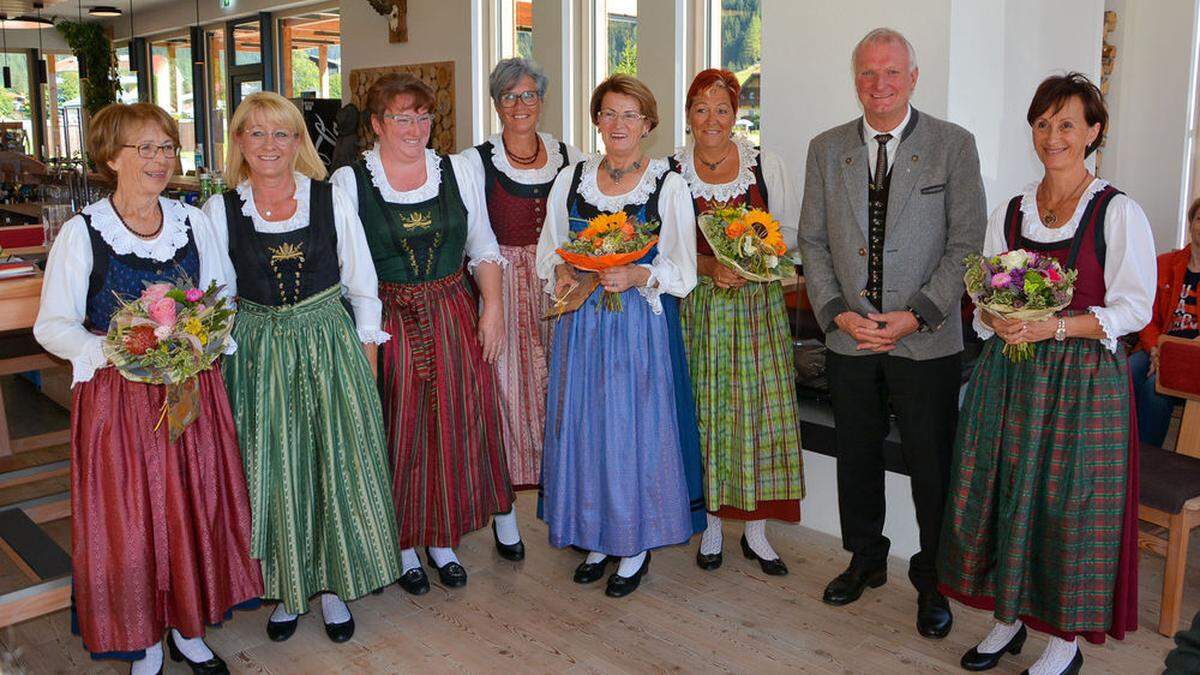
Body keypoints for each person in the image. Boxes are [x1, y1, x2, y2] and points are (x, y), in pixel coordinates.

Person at [34, 102, 262, 675]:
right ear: (112, 158)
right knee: (132, 518)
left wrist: (197, 333)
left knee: (190, 506)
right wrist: (112, 349)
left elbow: (222, 295)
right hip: (118, 399)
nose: (161, 160)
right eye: (147, 148)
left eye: (167, 148)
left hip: (188, 390)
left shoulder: (193, 221)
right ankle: (145, 643)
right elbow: (53, 324)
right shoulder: (82, 232)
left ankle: (188, 630)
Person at [939, 72, 1155, 675]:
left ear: (1093, 132)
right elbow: (980, 292)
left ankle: (1064, 639)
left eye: (1066, 124)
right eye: (1042, 124)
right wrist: (996, 316)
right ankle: (1007, 619)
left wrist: (1053, 327)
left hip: (1082, 383)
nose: (1052, 136)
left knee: (1067, 506)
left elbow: (1135, 307)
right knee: (1003, 493)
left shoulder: (1118, 211)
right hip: (1009, 374)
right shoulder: (1012, 209)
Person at [797, 27, 986, 639]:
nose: (880, 84)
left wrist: (917, 313)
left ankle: (934, 580)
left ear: (913, 77)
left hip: (925, 339)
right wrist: (834, 313)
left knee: (932, 465)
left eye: (892, 72)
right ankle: (866, 558)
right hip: (849, 337)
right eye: (868, 73)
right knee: (856, 457)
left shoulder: (953, 145)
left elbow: (966, 243)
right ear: (855, 79)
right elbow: (814, 242)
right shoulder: (826, 149)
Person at [203, 91, 401, 644]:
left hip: (328, 344)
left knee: (333, 465)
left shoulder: (330, 198)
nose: (270, 144)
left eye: (282, 133)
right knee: (274, 469)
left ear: (300, 142)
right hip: (259, 350)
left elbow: (362, 283)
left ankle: (335, 587)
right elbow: (217, 298)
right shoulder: (219, 211)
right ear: (239, 142)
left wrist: (366, 362)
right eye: (257, 133)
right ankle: (288, 589)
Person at [331, 73, 515, 594]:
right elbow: (348, 268)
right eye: (401, 117)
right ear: (375, 125)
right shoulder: (350, 182)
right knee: (399, 429)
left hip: (453, 309)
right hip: (387, 319)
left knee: (453, 427)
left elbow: (482, 245)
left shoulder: (457, 171)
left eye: (423, 116)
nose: (415, 127)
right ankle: (403, 544)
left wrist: (493, 306)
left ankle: (441, 539)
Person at [536, 74, 705, 598]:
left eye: (630, 115)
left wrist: (638, 275)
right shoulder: (571, 178)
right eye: (608, 114)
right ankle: (594, 535)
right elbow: (551, 248)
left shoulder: (667, 185)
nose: (618, 125)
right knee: (586, 428)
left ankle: (632, 545)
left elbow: (684, 268)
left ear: (649, 124)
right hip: (582, 325)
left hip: (637, 327)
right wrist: (561, 275)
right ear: (597, 120)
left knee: (630, 432)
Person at [669, 68, 803, 574]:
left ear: (737, 113)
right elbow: (663, 246)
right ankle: (710, 528)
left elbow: (788, 231)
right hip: (698, 310)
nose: (711, 118)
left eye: (721, 108)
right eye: (700, 108)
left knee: (757, 416)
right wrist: (709, 266)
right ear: (688, 116)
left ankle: (756, 531)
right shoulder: (671, 171)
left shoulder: (765, 165)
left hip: (756, 308)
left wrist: (754, 262)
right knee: (705, 414)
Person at [459, 58, 583, 558]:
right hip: (503, 286)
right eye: (509, 96)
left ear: (542, 101)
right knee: (504, 398)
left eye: (529, 94)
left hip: (558, 284)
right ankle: (504, 514)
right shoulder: (475, 161)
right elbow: (470, 234)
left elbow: (582, 222)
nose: (520, 105)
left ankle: (567, 506)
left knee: (562, 394)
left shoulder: (570, 155)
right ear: (496, 104)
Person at [1131, 197, 1200, 446]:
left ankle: (1147, 457)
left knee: (1155, 388)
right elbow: (1145, 314)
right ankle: (1119, 449)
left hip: (1192, 354)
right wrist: (1154, 349)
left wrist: (1175, 355)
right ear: (1191, 223)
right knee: (1125, 371)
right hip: (1157, 344)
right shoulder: (1164, 264)